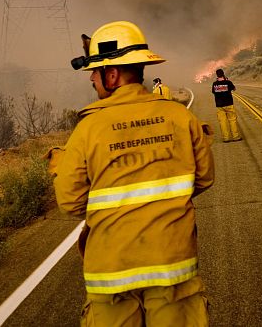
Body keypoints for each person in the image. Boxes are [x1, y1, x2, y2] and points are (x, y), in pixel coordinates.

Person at [54, 20, 214, 326]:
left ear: (111, 74)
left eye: (95, 71)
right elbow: (204, 177)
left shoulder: (88, 129)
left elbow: (70, 203)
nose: (91, 78)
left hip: (111, 274)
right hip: (172, 267)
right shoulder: (180, 116)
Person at [211, 68, 242, 142]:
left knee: (222, 122)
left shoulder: (214, 84)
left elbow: (213, 92)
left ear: (217, 75)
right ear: (223, 74)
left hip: (219, 106)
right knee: (232, 120)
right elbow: (234, 89)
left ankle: (226, 138)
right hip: (229, 104)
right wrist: (227, 81)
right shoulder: (228, 82)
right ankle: (235, 136)